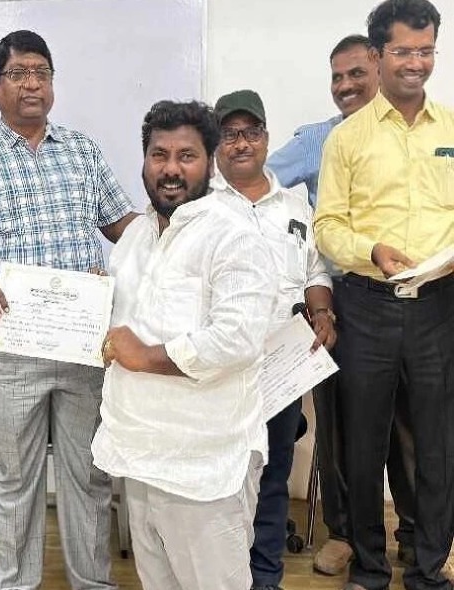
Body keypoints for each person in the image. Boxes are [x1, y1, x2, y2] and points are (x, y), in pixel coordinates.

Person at [0, 29, 136, 590]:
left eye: (41, 73)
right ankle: (17, 583)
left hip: (84, 347)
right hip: (12, 347)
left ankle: (92, 582)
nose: (31, 84)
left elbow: (124, 228)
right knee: (15, 478)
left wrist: (167, 238)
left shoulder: (83, 151)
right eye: (18, 74)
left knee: (88, 475)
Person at [90, 99, 278, 590]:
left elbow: (236, 339)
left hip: (204, 468)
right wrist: (91, 305)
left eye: (186, 155)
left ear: (210, 162)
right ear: (144, 160)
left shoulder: (234, 233)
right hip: (138, 454)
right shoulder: (136, 236)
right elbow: (122, 327)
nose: (170, 169)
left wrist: (145, 357)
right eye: (159, 154)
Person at [314, 1, 454, 588]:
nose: (416, 63)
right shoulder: (347, 138)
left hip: (439, 307)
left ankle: (429, 569)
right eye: (402, 52)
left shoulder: (451, 129)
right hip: (368, 306)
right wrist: (371, 250)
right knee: (364, 448)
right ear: (377, 55)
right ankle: (369, 570)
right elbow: (327, 226)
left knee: (438, 447)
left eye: (426, 51)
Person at [268, 35, 417, 577]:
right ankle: (345, 534)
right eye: (337, 77)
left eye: (356, 72)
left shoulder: (419, 134)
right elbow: (252, 182)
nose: (346, 85)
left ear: (380, 66)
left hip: (415, 299)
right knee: (342, 429)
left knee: (411, 425)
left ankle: (415, 533)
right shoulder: (318, 140)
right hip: (341, 302)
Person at [211, 90, 335, 590]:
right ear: (216, 143)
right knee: (222, 477)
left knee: (273, 474)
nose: (241, 143)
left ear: (265, 138)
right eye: (230, 134)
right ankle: (223, 576)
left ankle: (265, 577)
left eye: (251, 132)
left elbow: (315, 270)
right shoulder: (200, 208)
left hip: (281, 367)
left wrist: (322, 310)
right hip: (220, 370)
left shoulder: (295, 206)